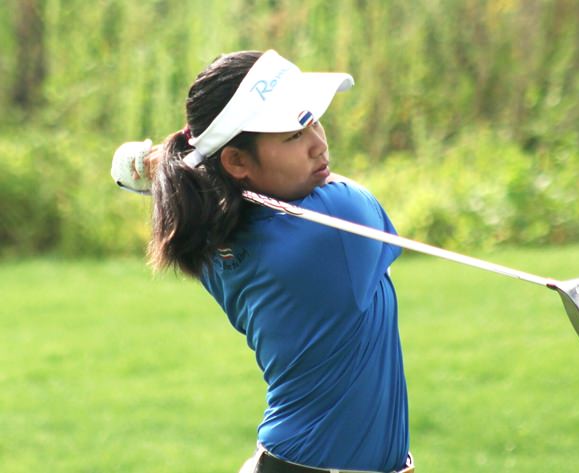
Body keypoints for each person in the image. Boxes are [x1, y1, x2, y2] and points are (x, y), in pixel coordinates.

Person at [112, 50, 414, 473]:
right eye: (294, 135)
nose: (319, 145)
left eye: (314, 121)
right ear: (236, 161)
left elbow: (207, 183)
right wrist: (182, 162)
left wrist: (185, 164)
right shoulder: (336, 224)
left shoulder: (211, 230)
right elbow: (342, 187)